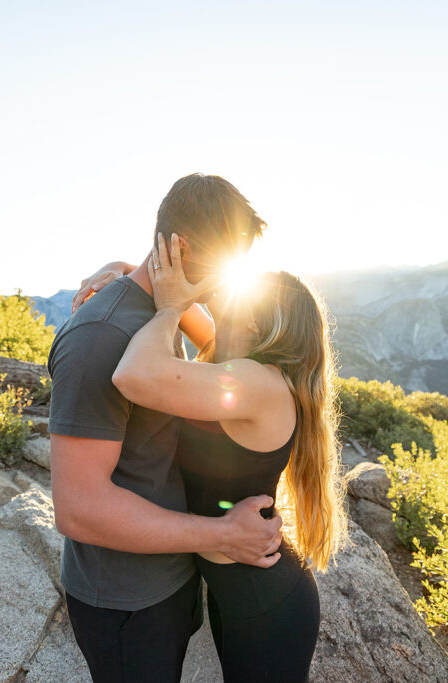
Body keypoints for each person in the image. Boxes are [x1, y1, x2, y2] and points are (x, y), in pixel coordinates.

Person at [47, 174, 285, 683]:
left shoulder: (160, 313)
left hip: (169, 574)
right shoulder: (100, 337)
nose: (226, 282)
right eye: (223, 265)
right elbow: (79, 509)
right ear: (179, 247)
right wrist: (223, 534)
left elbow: (217, 349)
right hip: (124, 598)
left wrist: (139, 275)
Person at [110, 232, 348, 682]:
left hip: (265, 602)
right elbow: (195, 318)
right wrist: (128, 271)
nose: (220, 304)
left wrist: (167, 308)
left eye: (235, 304)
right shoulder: (247, 369)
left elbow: (135, 375)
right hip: (237, 588)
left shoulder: (257, 384)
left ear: (257, 326)